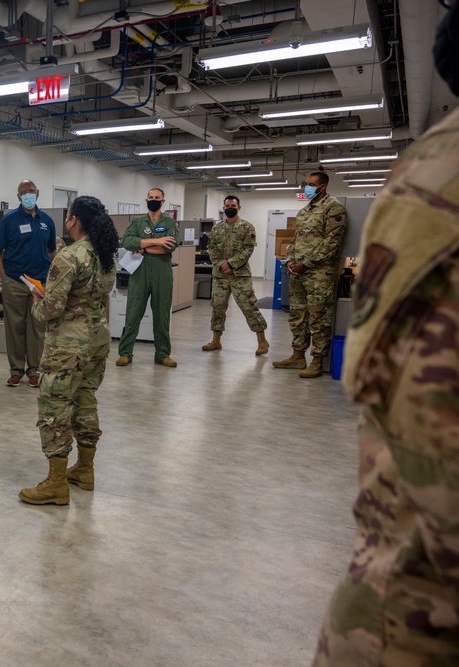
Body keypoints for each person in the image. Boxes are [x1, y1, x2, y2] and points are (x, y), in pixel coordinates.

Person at [313, 4, 459, 661]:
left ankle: (305, 355)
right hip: (415, 628)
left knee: (315, 326)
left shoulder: (345, 207)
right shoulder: (439, 185)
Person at [19, 196, 118, 506]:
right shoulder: (106, 255)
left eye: (68, 216)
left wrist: (36, 300)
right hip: (98, 339)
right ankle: (85, 471)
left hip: (67, 346)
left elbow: (52, 308)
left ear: (74, 220)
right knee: (86, 401)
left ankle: (56, 483)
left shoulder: (69, 256)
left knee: (55, 409)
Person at [272, 171, 347, 378]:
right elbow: (295, 240)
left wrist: (306, 263)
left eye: (312, 184)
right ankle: (297, 355)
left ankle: (317, 360)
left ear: (323, 186)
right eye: (306, 184)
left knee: (318, 318)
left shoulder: (334, 208)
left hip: (319, 274)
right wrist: (289, 260)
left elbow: (332, 242)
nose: (308, 187)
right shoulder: (305, 211)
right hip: (298, 272)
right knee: (297, 314)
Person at [0, 179, 57, 387]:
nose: (28, 195)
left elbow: (52, 250)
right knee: (15, 327)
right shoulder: (9, 221)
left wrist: (55, 276)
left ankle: (34, 371)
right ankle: (16, 370)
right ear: (18, 197)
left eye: (31, 191)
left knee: (38, 329)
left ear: (38, 193)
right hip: (15, 281)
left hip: (40, 283)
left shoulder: (47, 221)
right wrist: (4, 278)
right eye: (23, 192)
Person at [115, 187, 179, 368]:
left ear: (163, 201)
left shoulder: (170, 223)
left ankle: (162, 354)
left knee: (162, 315)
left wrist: (142, 247)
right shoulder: (137, 222)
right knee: (133, 313)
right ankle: (125, 353)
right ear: (146, 200)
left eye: (157, 197)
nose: (153, 199)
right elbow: (127, 242)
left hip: (162, 272)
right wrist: (157, 241)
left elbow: (171, 245)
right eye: (150, 197)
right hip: (139, 272)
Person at [201, 195, 269, 355]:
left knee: (248, 307)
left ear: (238, 207)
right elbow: (212, 249)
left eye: (233, 205)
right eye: (227, 205)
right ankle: (216, 340)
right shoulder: (217, 228)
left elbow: (248, 249)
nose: (229, 207)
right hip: (220, 276)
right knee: (218, 307)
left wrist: (231, 264)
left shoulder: (247, 227)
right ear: (223, 208)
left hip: (240, 275)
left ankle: (262, 340)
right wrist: (221, 265)